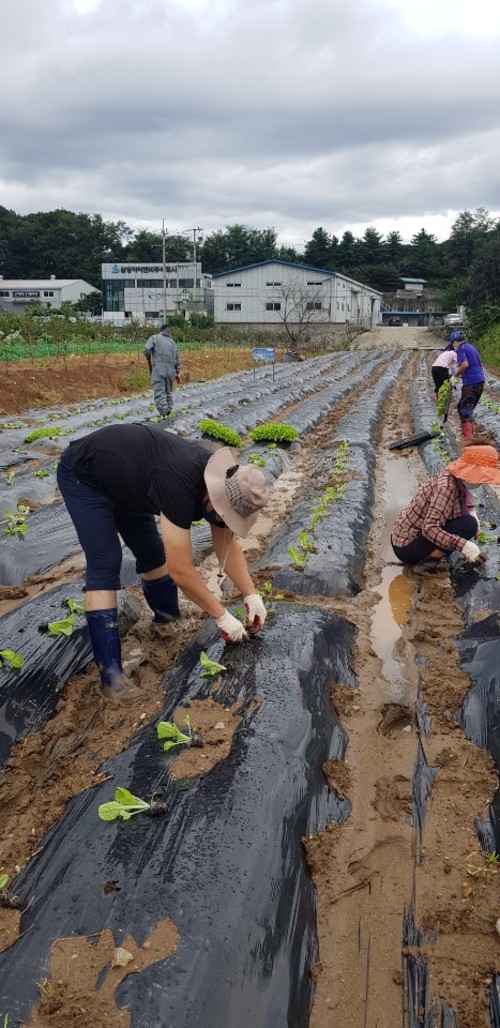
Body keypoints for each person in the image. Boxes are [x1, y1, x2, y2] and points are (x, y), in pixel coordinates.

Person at [57, 424, 270, 700]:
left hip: (128, 483)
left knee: (152, 554)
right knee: (106, 561)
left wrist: (251, 594)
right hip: (86, 477)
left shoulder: (222, 484)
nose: (224, 522)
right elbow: (180, 570)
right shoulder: (179, 482)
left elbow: (226, 543)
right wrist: (221, 616)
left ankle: (166, 622)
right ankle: (112, 680)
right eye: (225, 516)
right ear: (214, 497)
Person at [391, 439, 500, 567]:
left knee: (470, 522)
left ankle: (431, 554)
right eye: (481, 477)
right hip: (406, 546)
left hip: (405, 537)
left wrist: (472, 512)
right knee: (468, 525)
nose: (482, 482)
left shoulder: (455, 476)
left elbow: (465, 497)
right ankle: (426, 564)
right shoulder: (446, 488)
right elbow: (429, 528)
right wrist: (465, 546)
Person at [448, 330, 485, 438]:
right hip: (480, 380)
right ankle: (468, 434)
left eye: (453, 343)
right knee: (464, 407)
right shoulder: (472, 347)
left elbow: (464, 364)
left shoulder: (461, 349)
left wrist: (455, 376)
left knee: (464, 409)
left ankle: (468, 439)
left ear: (454, 342)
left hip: (471, 382)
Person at [144, 322, 181, 419]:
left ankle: (163, 414)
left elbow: (147, 350)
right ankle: (168, 411)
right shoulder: (173, 343)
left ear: (161, 330)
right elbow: (177, 359)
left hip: (159, 368)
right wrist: (177, 373)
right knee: (168, 391)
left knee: (159, 391)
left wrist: (148, 357)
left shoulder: (154, 338)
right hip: (171, 370)